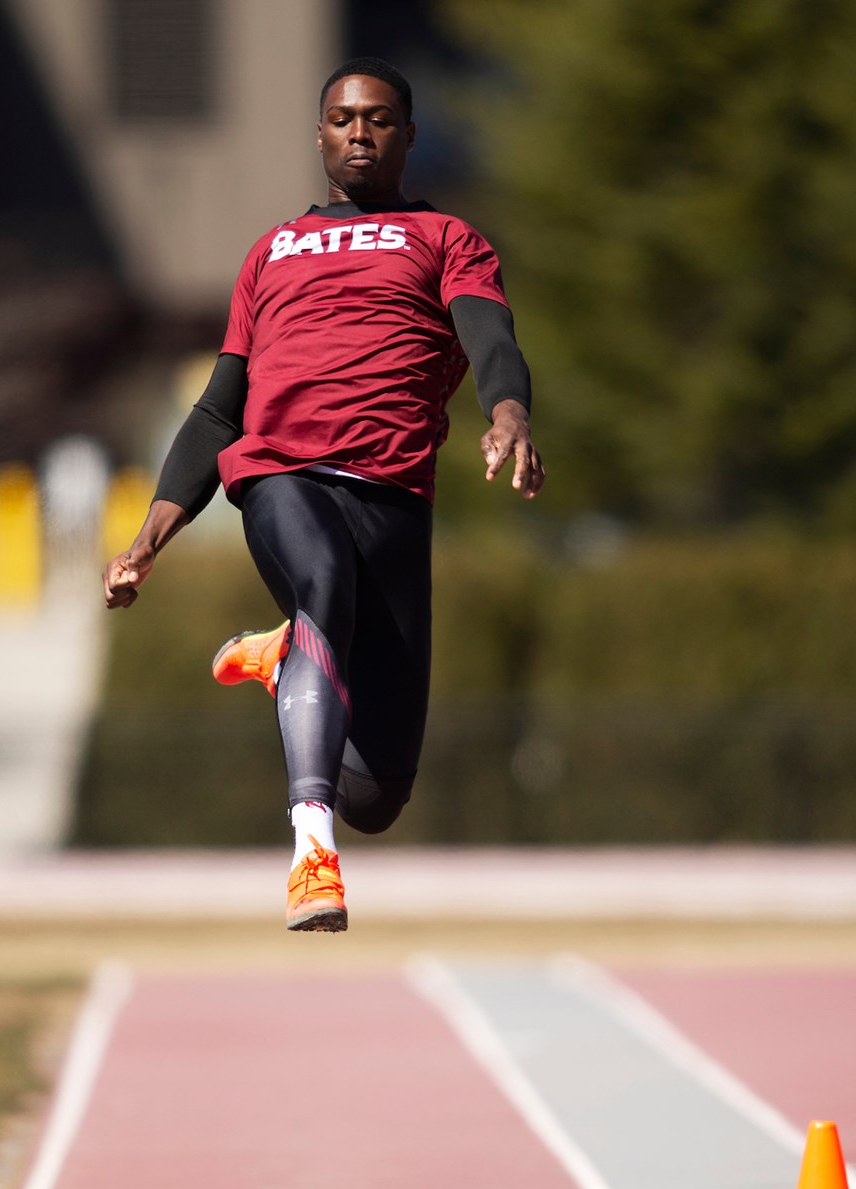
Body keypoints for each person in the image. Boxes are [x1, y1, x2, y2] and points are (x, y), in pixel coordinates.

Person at [101, 57, 544, 931]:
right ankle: (312, 852)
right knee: (322, 586)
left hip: (393, 498)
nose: (359, 132)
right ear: (319, 133)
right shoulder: (271, 251)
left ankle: (283, 660)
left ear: (407, 135)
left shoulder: (446, 237)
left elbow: (490, 335)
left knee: (378, 789)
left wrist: (510, 412)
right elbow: (218, 410)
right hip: (282, 474)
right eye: (342, 118)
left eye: (379, 119)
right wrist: (150, 536)